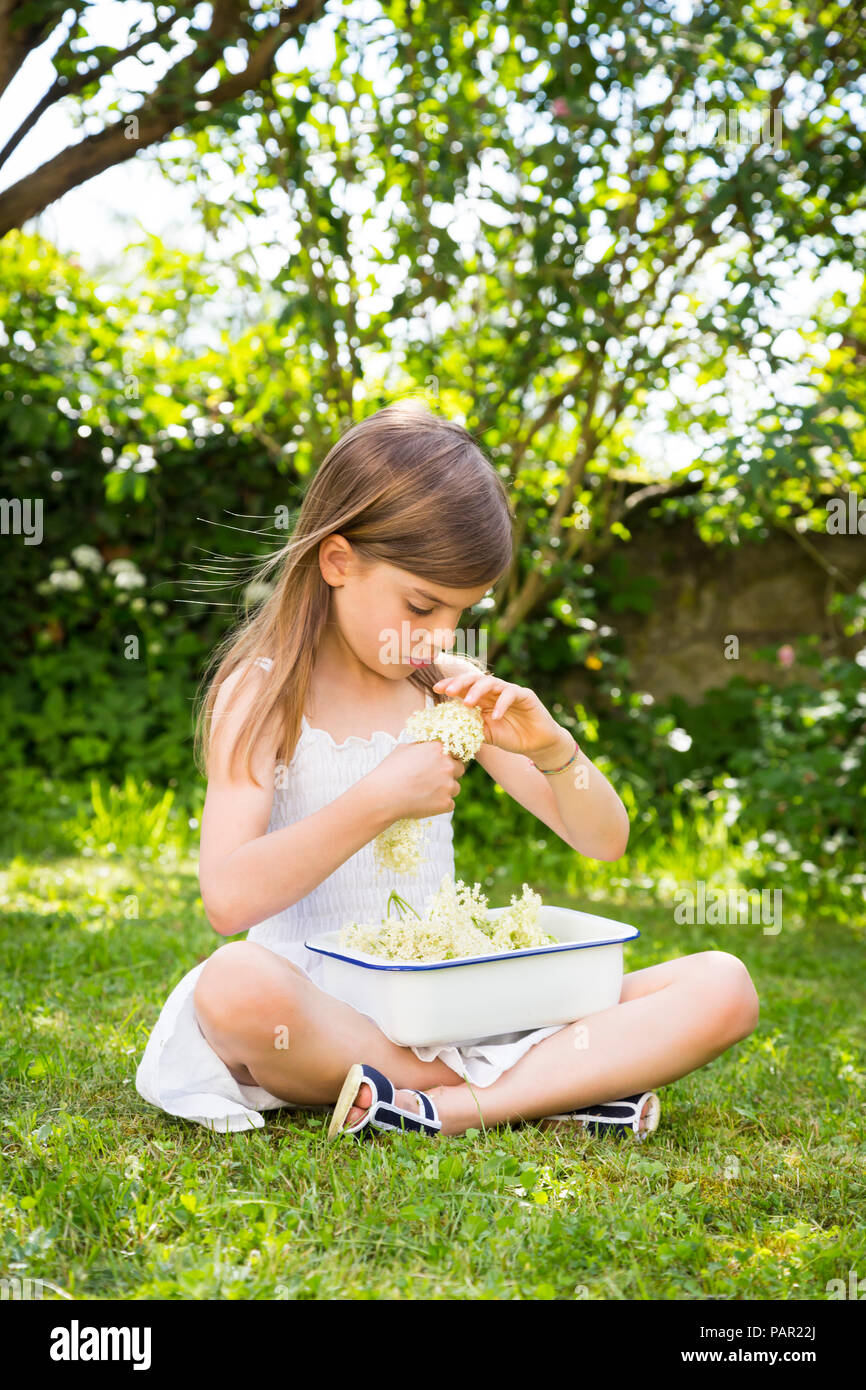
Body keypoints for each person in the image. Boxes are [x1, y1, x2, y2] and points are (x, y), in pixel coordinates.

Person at [135, 398, 759, 1140]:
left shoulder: (444, 684)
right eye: (420, 605)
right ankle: (552, 1084)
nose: (434, 636)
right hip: (325, 1008)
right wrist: (379, 798)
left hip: (456, 1003)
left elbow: (604, 839)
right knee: (233, 987)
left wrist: (555, 750)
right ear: (338, 560)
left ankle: (442, 1110)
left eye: (457, 614)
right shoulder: (265, 693)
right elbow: (227, 900)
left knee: (724, 984)